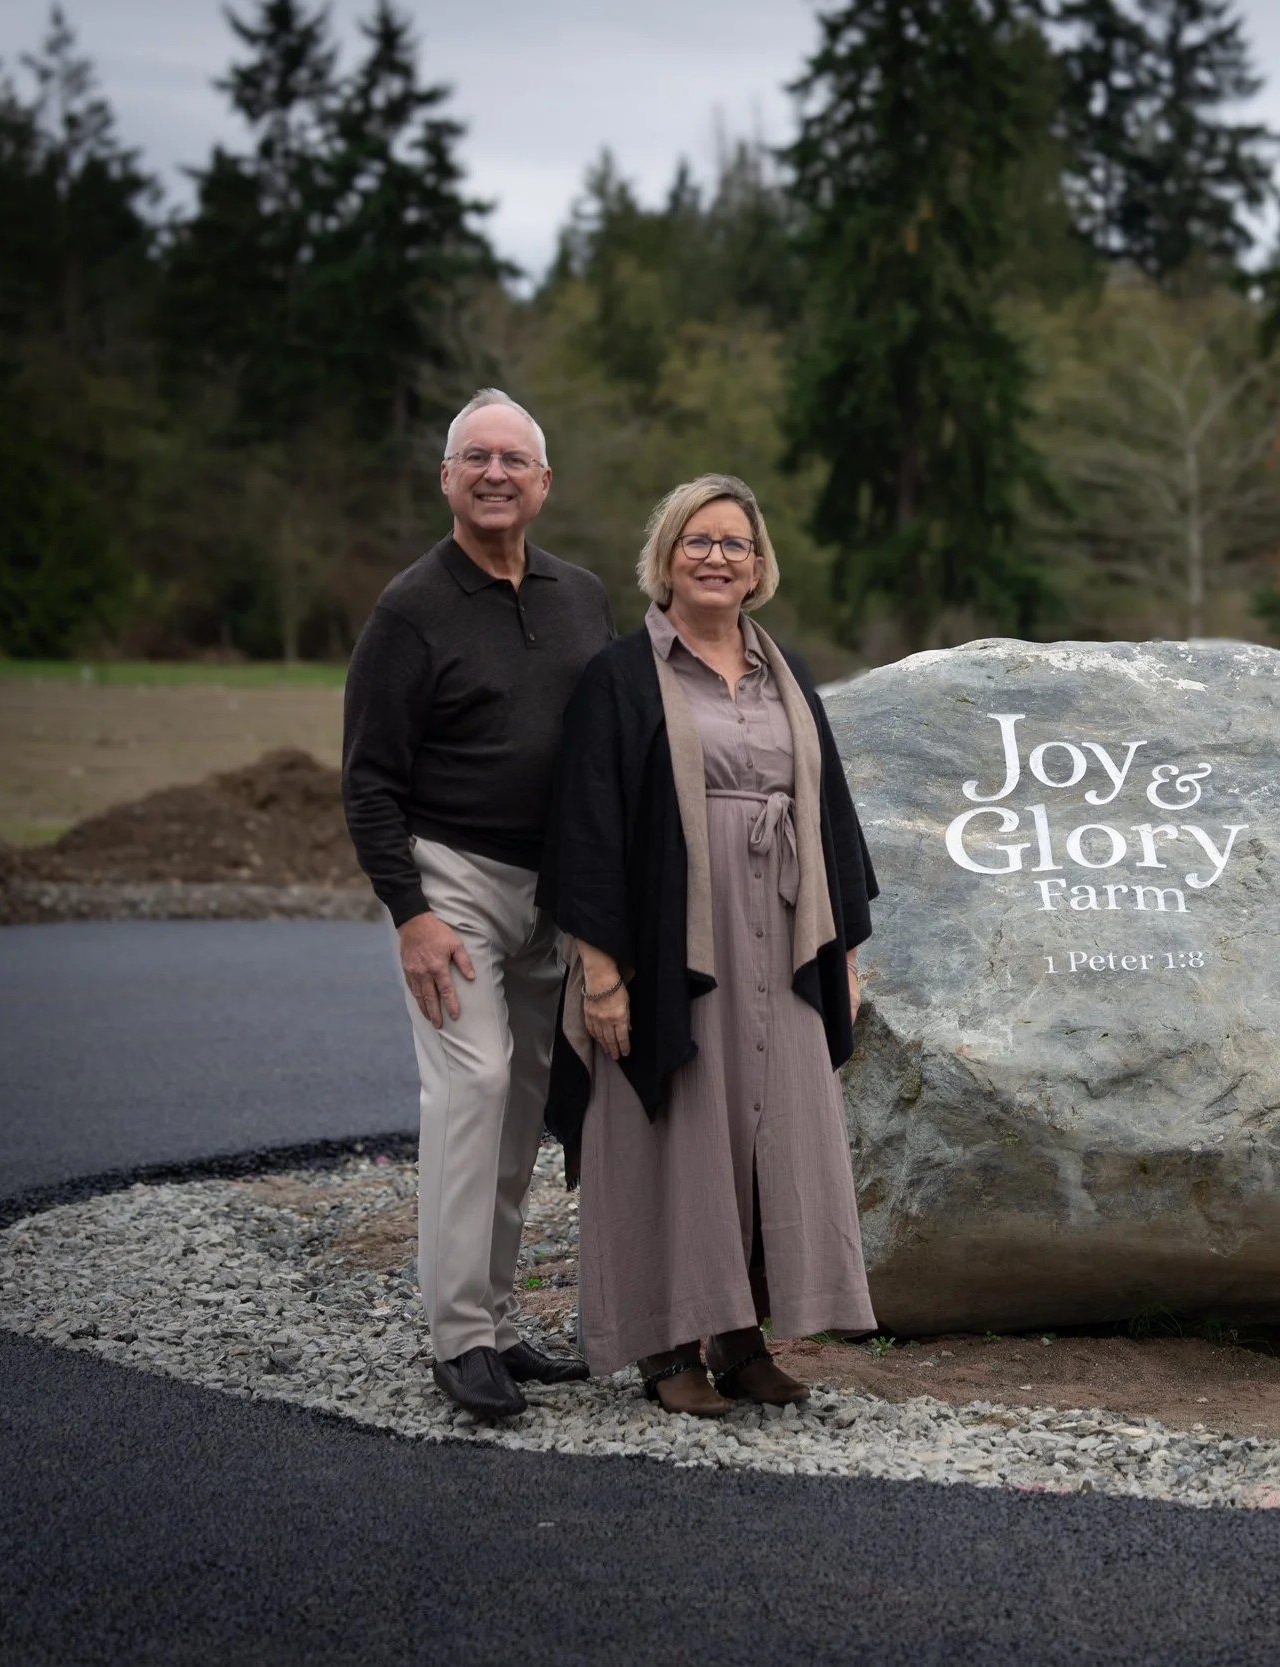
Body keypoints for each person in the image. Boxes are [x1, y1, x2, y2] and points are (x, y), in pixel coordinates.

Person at [538, 474, 879, 1417]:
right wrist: (602, 972)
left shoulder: (786, 673)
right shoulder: (621, 676)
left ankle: (739, 1337)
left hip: (777, 935)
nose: (717, 557)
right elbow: (589, 823)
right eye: (698, 540)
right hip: (671, 938)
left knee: (764, 1127)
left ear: (759, 565)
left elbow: (833, 818)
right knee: (677, 1129)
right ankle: (663, 1342)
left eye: (735, 544)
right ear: (666, 557)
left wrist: (842, 953)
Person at [343, 389, 612, 1420]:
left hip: (556, 888)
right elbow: (368, 777)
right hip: (451, 881)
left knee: (520, 1107)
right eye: (474, 457)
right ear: (446, 479)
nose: (494, 473)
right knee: (473, 1085)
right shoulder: (410, 610)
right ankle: (458, 1339)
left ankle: (497, 1321)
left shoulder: (582, 597)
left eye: (513, 458)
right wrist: (409, 911)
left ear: (543, 482)